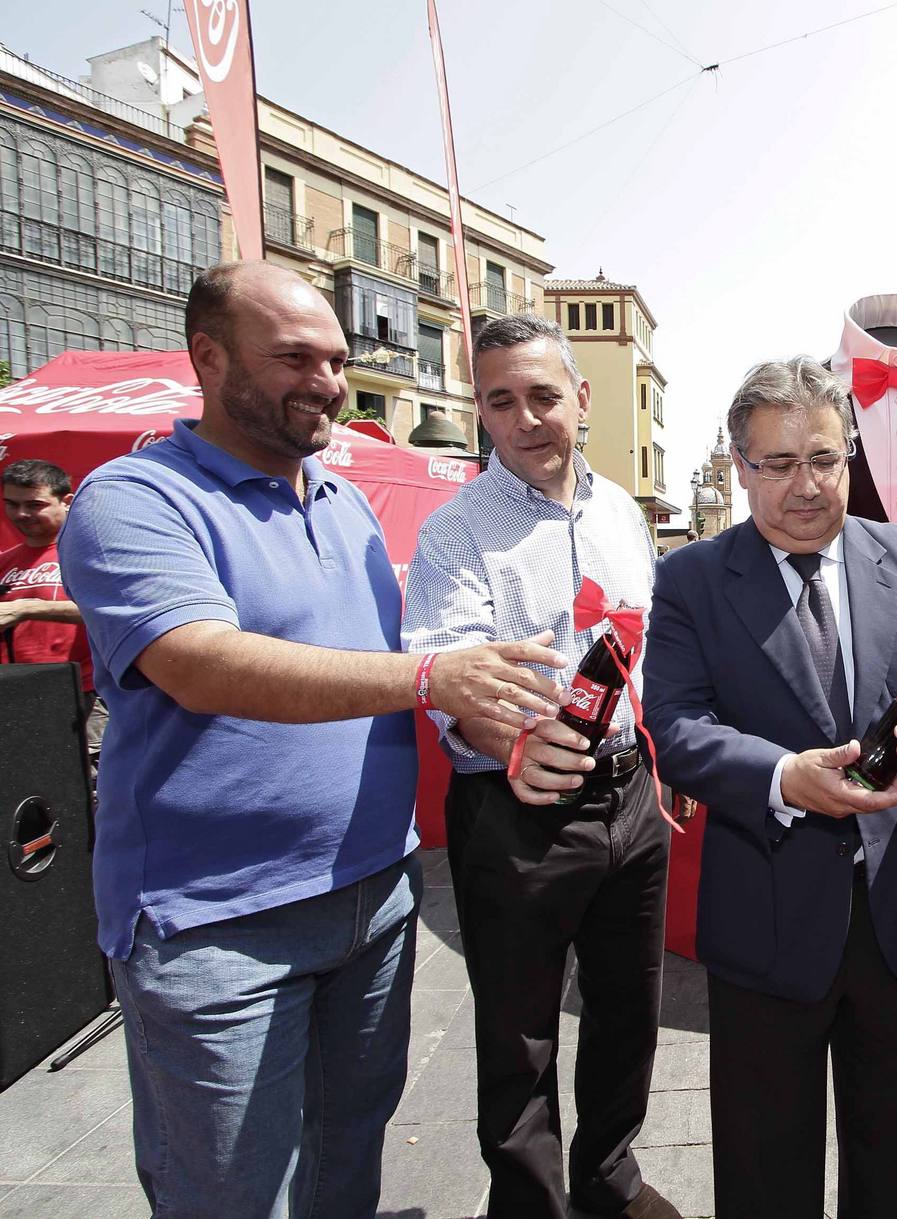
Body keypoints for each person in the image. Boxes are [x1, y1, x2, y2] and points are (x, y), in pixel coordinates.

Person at [57, 262, 567, 1219]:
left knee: (345, 1169)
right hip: (218, 925)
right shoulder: (134, 499)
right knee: (231, 1192)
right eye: (294, 357)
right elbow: (200, 660)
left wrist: (492, 711)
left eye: (336, 360)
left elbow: (387, 656)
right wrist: (431, 679)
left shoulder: (344, 502)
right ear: (208, 358)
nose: (327, 382)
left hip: (372, 903)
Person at [642, 357, 897, 1219]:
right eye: (777, 464)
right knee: (763, 1167)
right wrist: (783, 776)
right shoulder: (693, 580)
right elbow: (673, 726)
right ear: (738, 468)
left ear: (849, 453)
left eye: (823, 457)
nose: (806, 485)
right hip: (765, 918)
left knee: (896, 1164)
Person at [402, 314, 679, 1219]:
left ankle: (610, 1179)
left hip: (630, 799)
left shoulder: (622, 513)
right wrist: (510, 739)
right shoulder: (454, 534)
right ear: (479, 408)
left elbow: (648, 646)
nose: (525, 418)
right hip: (518, 811)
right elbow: (447, 670)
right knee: (518, 1036)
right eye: (500, 400)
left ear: (582, 398)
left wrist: (655, 754)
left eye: (543, 396)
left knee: (628, 1011)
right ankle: (529, 1206)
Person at [1, 459, 104, 765]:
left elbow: (111, 610)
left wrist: (26, 608)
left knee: (88, 791)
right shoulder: (6, 561)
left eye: (34, 504)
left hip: (83, 694)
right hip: (17, 694)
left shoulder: (94, 551)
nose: (21, 514)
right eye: (11, 504)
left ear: (67, 501)